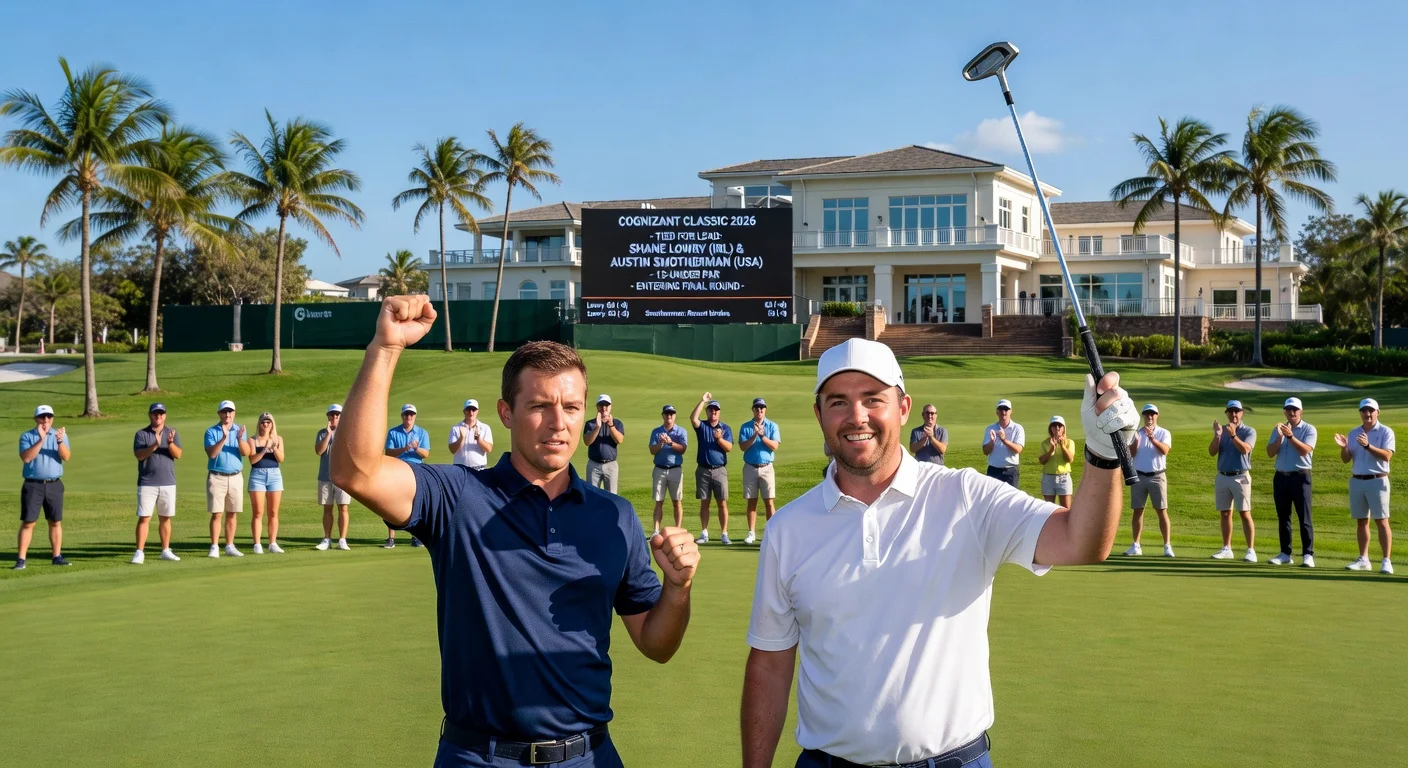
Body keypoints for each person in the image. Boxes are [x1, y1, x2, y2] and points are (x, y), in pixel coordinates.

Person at [329, 294, 698, 768]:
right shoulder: (456, 497)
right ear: (506, 413)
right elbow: (355, 471)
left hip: (590, 755)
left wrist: (678, 588)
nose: (559, 423)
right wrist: (385, 348)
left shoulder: (615, 516)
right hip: (478, 756)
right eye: (540, 406)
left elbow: (656, 644)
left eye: (571, 407)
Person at [741, 338, 1136, 768]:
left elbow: (1082, 542)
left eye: (873, 399)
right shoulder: (788, 528)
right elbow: (769, 665)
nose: (857, 416)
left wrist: (1101, 455)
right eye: (838, 402)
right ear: (819, 414)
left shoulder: (966, 495)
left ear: (904, 407)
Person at [1336, 397, 1395, 574]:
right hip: (1357, 480)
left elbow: (1387, 456)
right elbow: (1346, 460)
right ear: (1360, 413)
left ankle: (1386, 560)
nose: (1367, 414)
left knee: (1382, 521)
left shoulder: (1385, 432)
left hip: (1377, 480)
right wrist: (1344, 447)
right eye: (1364, 411)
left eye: (1371, 410)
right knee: (1361, 521)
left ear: (1378, 412)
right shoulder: (1354, 433)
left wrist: (1368, 446)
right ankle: (1364, 559)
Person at [14, 405, 72, 569]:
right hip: (33, 485)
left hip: (54, 484)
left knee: (55, 521)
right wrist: (41, 439)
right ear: (36, 419)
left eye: (49, 417)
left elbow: (66, 457)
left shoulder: (59, 434)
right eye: (42, 417)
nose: (45, 420)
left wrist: (59, 441)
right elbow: (26, 458)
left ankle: (57, 556)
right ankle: (21, 559)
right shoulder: (27, 436)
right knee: (28, 522)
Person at [1266, 397, 1317, 567]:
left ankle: (1308, 554)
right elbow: (1270, 452)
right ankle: (1285, 553)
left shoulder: (1309, 429)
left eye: (1295, 409)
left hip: (1300, 477)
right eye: (1288, 409)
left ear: (1301, 411)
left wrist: (1290, 437)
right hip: (1281, 477)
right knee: (1283, 517)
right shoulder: (1279, 429)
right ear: (1285, 412)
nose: (1292, 412)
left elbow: (1305, 451)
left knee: (1304, 517)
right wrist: (1280, 437)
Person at [131, 402, 183, 565]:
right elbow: (139, 455)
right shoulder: (141, 434)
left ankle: (166, 550)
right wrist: (155, 444)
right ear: (150, 415)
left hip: (168, 481)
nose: (158, 416)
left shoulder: (172, 432)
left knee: (165, 518)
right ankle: (139, 552)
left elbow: (178, 454)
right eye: (155, 413)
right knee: (144, 517)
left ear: (165, 416)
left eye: (161, 413)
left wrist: (170, 443)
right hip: (147, 482)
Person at [1209, 399, 1257, 562]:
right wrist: (1217, 436)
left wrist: (1233, 435)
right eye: (1231, 412)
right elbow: (1212, 452)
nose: (1234, 414)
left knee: (1244, 513)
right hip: (1223, 475)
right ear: (1227, 414)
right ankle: (1226, 548)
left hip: (1241, 476)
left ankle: (1251, 550)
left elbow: (1245, 449)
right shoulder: (1221, 430)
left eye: (1237, 411)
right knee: (1225, 513)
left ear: (1242, 413)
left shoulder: (1249, 431)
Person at [1125, 404, 1175, 558]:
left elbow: (1165, 451)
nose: (1150, 417)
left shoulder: (1163, 433)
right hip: (1139, 476)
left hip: (1157, 476)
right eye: (1147, 415)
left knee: (1161, 511)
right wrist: (1135, 443)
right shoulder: (1137, 433)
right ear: (1144, 416)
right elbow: (1131, 454)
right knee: (1138, 510)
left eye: (1152, 414)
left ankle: (1167, 546)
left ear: (1157, 416)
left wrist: (1152, 439)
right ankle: (1136, 545)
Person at [205, 400, 252, 558]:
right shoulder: (211, 431)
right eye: (224, 412)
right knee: (217, 513)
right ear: (219, 413)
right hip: (217, 476)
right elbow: (212, 454)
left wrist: (239, 439)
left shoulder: (240, 430)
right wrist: (223, 438)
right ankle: (214, 546)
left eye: (230, 412)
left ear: (234, 413)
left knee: (232, 513)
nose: (227, 415)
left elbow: (246, 452)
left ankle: (230, 545)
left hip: (236, 476)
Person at [384, 403, 429, 548]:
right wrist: (405, 448)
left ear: (414, 416)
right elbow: (389, 452)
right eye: (406, 414)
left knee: (416, 503)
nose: (408, 417)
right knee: (391, 501)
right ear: (402, 416)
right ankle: (391, 538)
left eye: (411, 414)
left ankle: (416, 537)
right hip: (397, 469)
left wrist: (416, 448)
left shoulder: (422, 433)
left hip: (416, 470)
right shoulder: (394, 432)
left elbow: (426, 454)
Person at [691, 393, 734, 545]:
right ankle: (704, 533)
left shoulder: (725, 428)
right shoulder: (702, 427)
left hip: (719, 470)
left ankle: (724, 533)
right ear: (707, 412)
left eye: (716, 410)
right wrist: (703, 401)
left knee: (722, 502)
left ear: (719, 412)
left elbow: (729, 448)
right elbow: (693, 419)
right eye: (711, 410)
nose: (713, 412)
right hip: (703, 470)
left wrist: (719, 439)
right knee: (705, 503)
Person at [739, 397, 781, 545]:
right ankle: (751, 533)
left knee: (769, 502)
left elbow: (774, 446)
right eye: (757, 408)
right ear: (753, 410)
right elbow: (743, 447)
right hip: (750, 467)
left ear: (765, 410)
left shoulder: (772, 426)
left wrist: (763, 435)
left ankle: (772, 533)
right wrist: (755, 435)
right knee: (752, 502)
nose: (759, 410)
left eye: (762, 408)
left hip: (767, 468)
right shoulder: (746, 427)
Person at [245, 412, 286, 554]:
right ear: (259, 424)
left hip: (274, 475)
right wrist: (263, 450)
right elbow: (252, 460)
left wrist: (273, 447)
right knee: (258, 512)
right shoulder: (252, 440)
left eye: (268, 422)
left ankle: (272, 543)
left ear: (272, 424)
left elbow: (281, 459)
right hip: (258, 475)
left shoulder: (278, 439)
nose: (266, 425)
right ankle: (257, 544)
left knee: (273, 512)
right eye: (263, 422)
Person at [315, 404, 352, 551]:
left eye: (337, 415)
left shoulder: (348, 432)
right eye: (332, 415)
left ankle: (342, 540)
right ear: (328, 417)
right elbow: (319, 451)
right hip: (325, 475)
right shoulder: (322, 433)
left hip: (343, 476)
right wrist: (329, 434)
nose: (334, 418)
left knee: (343, 507)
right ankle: (327, 539)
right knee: (327, 508)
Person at [649, 405, 689, 536]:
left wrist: (671, 443)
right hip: (659, 469)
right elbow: (652, 451)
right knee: (659, 501)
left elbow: (683, 449)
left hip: (675, 470)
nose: (669, 416)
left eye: (671, 414)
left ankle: (677, 529)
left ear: (675, 416)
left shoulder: (681, 431)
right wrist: (661, 443)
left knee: (677, 501)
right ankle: (656, 530)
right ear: (663, 416)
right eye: (667, 414)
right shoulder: (656, 432)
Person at [584, 394, 625, 493]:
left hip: (611, 465)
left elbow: (619, 440)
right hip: (594, 465)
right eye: (601, 405)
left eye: (606, 405)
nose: (604, 408)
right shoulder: (590, 424)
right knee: (592, 496)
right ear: (597, 407)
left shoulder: (617, 423)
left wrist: (611, 426)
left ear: (610, 407)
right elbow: (587, 441)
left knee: (612, 496)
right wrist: (597, 427)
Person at [982, 398, 1024, 488]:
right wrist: (992, 442)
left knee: (1011, 500)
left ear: (1010, 411)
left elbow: (1019, 449)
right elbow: (985, 451)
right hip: (993, 470)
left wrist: (1005, 441)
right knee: (992, 499)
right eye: (1001, 409)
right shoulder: (990, 428)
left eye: (1006, 409)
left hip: (1010, 471)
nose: (1003, 412)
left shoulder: (1017, 428)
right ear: (997, 412)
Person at [1038, 415, 1075, 509]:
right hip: (1048, 478)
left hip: (1064, 478)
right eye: (1054, 425)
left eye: (1060, 425)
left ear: (1063, 428)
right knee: (1048, 509)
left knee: (1066, 509)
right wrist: (1051, 451)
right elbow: (1042, 461)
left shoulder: (1069, 442)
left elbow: (1069, 459)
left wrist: (1062, 446)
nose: (1057, 428)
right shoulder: (1045, 443)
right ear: (1051, 428)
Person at [449, 399, 493, 470]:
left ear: (477, 411)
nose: (471, 413)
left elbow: (489, 449)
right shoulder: (456, 428)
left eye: (474, 410)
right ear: (464, 411)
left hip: (479, 469)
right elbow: (452, 450)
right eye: (468, 409)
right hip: (460, 469)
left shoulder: (485, 428)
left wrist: (479, 439)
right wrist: (462, 438)